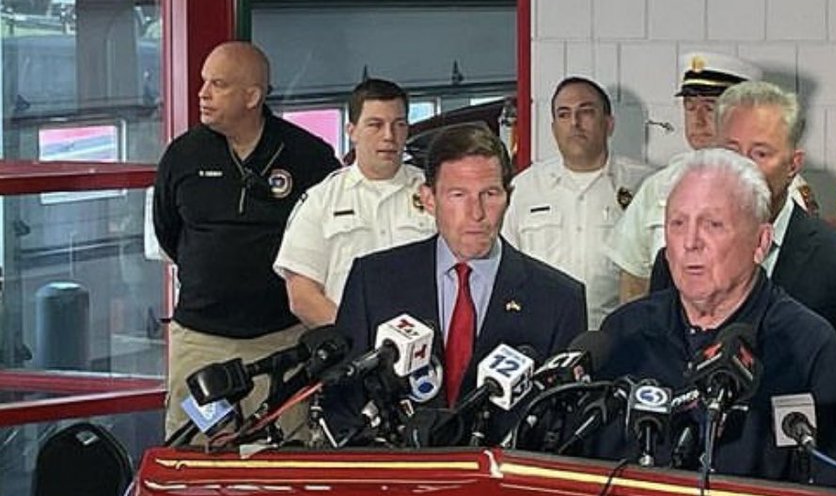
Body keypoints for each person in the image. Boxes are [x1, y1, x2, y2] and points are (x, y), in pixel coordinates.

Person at [593, 149, 836, 485]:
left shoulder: (808, 346)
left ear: (761, 242)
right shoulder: (624, 333)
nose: (690, 242)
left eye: (713, 225)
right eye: (677, 223)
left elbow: (834, 488)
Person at [650, 81, 836, 428]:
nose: (743, 167)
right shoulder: (674, 261)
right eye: (731, 150)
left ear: (793, 164)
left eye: (760, 153)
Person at [331, 123, 586, 437]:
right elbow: (342, 404)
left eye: (489, 194)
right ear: (428, 199)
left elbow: (563, 428)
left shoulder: (558, 301)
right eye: (458, 195)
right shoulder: (374, 281)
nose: (476, 212)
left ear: (509, 197)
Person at [153, 40, 340, 436]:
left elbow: (331, 244)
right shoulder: (183, 155)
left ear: (252, 95)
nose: (202, 93)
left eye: (217, 84)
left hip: (282, 343)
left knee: (282, 458)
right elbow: (168, 231)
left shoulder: (309, 156)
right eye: (204, 81)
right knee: (196, 452)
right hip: (201, 341)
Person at [610, 51, 818, 306]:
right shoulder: (660, 186)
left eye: (710, 107)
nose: (698, 120)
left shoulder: (780, 187)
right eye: (690, 106)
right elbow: (634, 280)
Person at [273, 78, 436, 328]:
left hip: (428, 346)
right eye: (375, 125)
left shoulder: (435, 193)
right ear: (352, 131)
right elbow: (302, 296)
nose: (389, 136)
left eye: (399, 125)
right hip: (351, 352)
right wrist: (358, 337)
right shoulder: (321, 200)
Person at [502, 76, 651, 329]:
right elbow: (506, 272)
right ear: (553, 128)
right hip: (541, 337)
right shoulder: (523, 189)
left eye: (586, 112)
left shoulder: (645, 184)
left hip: (617, 338)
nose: (574, 122)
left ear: (609, 124)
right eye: (564, 114)